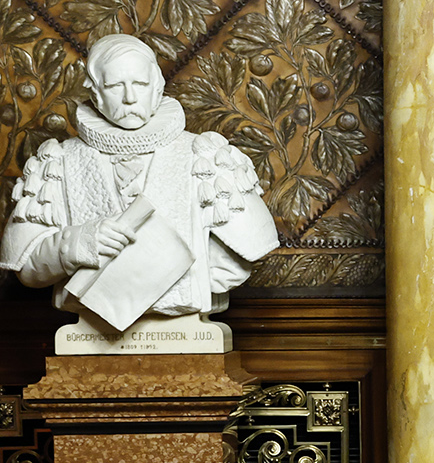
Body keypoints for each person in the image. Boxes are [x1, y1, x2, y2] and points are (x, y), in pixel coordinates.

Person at [0, 33, 279, 328]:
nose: (130, 98)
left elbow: (243, 258)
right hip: (90, 330)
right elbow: (27, 269)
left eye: (140, 84)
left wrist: (186, 276)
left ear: (157, 88)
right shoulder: (57, 161)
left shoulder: (205, 156)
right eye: (115, 86)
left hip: (187, 329)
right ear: (95, 92)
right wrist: (75, 244)